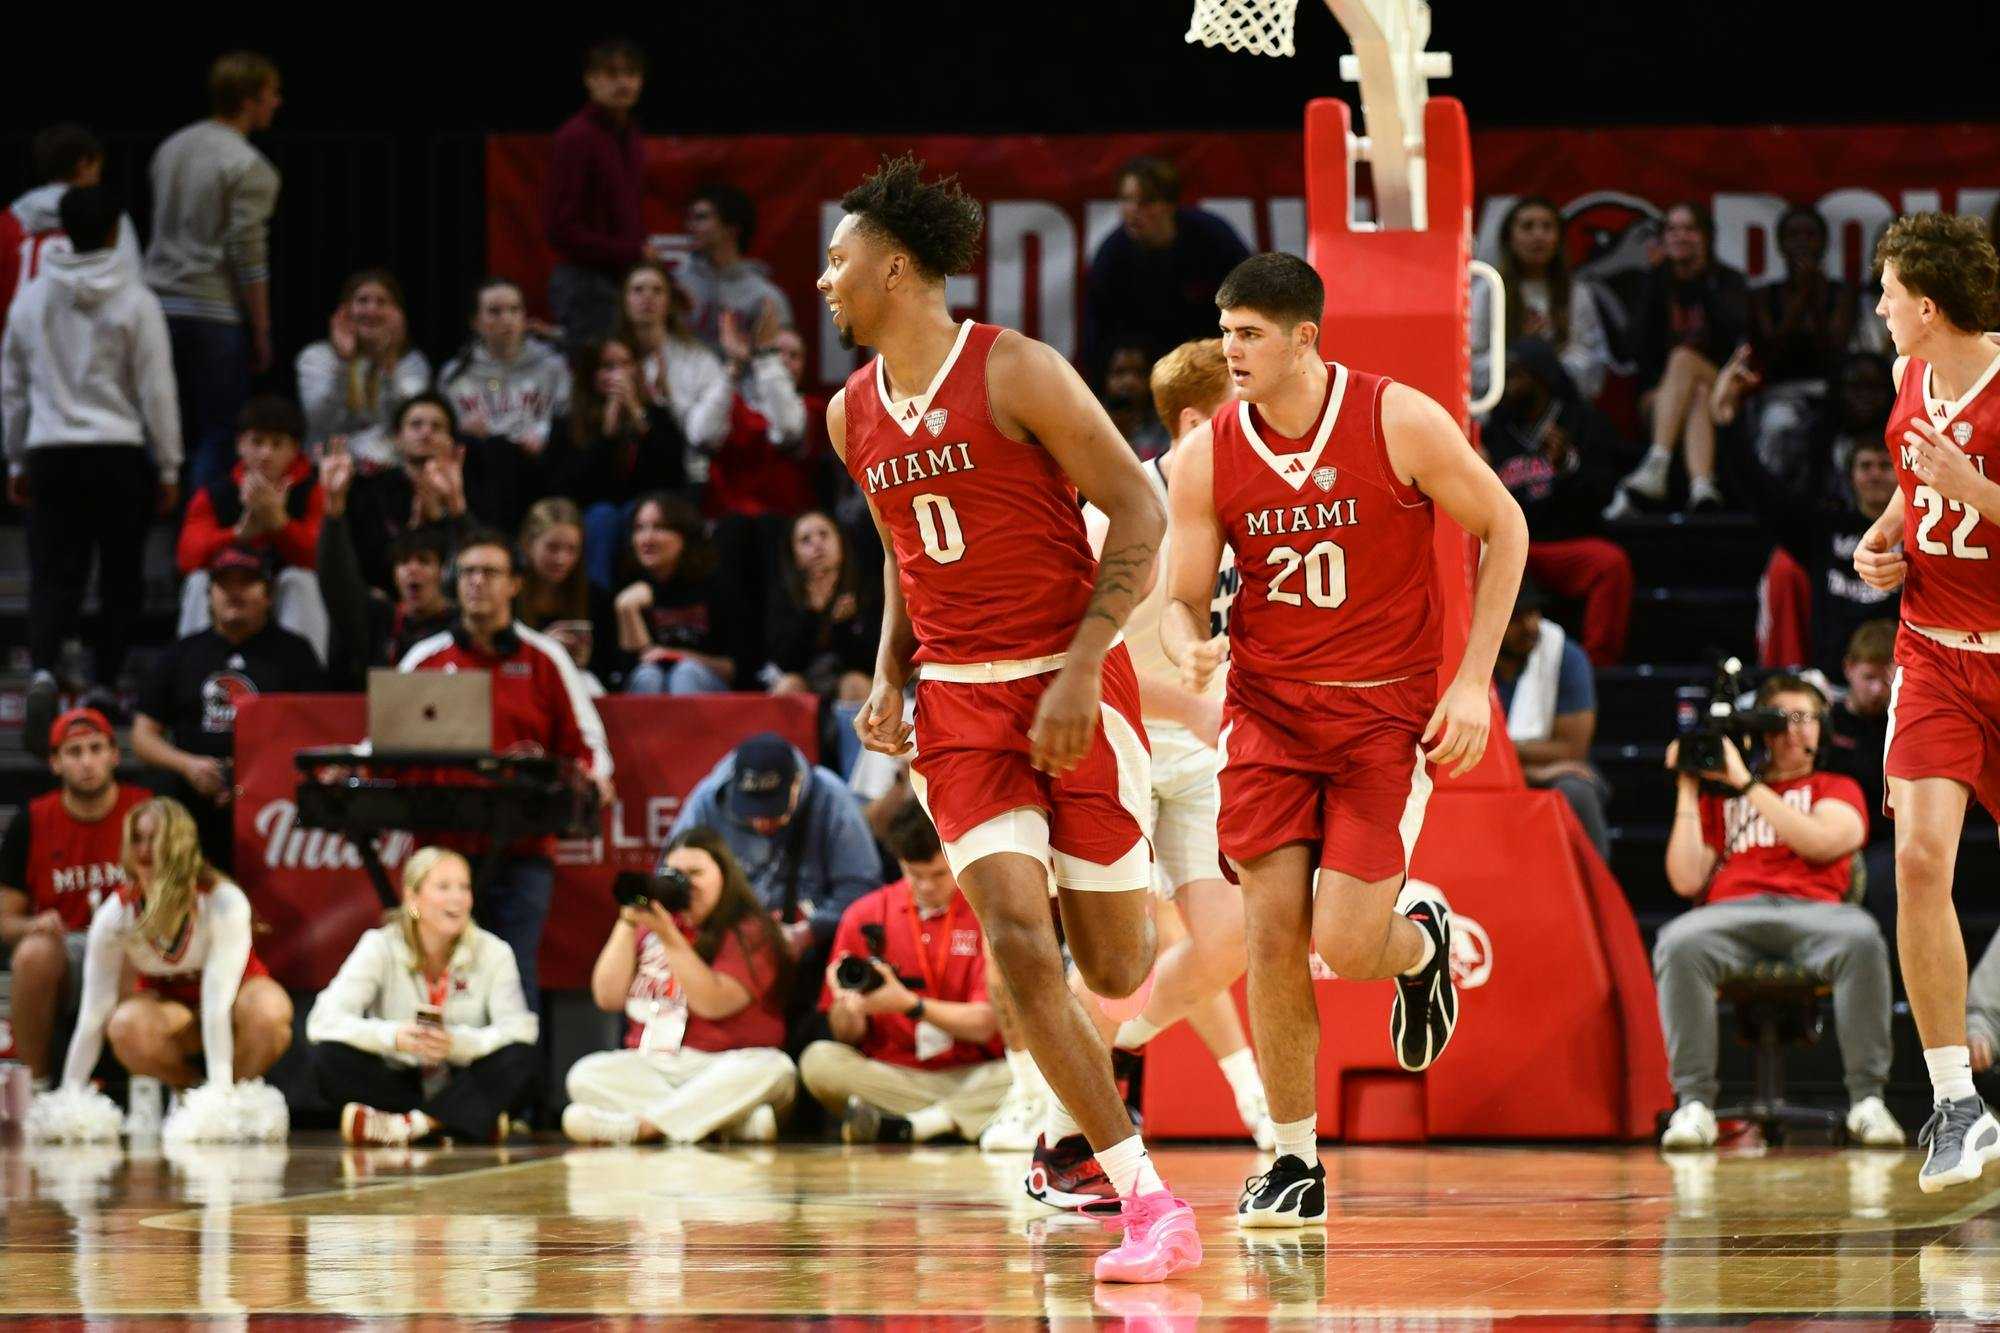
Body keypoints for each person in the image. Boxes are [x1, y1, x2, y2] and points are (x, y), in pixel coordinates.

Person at [821, 155, 1196, 1284]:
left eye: (838, 260)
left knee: (1115, 966)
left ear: (896, 266)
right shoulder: (848, 413)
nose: (826, 281)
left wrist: (1083, 668)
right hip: (957, 703)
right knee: (1021, 947)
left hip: (1069, 679)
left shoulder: (1017, 368)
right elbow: (901, 545)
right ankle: (1143, 1197)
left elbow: (1139, 510)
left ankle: (1163, 856)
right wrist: (887, 668)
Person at [1161, 252, 1527, 1228]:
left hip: (1380, 719)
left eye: (1248, 334)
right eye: (1225, 332)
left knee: (1346, 941)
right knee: (1271, 934)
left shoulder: (1395, 417)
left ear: (1303, 339)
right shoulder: (1206, 455)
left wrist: (1472, 680)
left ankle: (1417, 947)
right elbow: (1182, 598)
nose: (1231, 351)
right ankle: (1292, 1159)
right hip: (1267, 719)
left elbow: (1505, 525)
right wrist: (1188, 644)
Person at [1079, 337, 1272, 1146]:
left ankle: (1100, 1046)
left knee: (1230, 937)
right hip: (1114, 737)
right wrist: (1186, 705)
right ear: (1194, 424)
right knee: (1118, 952)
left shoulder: (1248, 503)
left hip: (1200, 745)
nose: (1261, 427)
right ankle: (1065, 1110)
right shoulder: (1117, 516)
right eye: (1242, 413)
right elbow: (1082, 658)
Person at [1848, 211, 2000, 1192]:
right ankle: (1955, 1101)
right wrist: (1883, 536)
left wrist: (1976, 491)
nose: (1879, 309)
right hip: (1934, 653)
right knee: (1915, 859)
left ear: (1929, 305)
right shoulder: (1910, 376)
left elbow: (1957, 479)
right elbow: (1915, 479)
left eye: (1888, 294)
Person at [1655, 674, 1898, 1150]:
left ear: (1823, 729)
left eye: (1805, 717)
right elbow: (1685, 879)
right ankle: (1693, 1104)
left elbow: (1822, 841)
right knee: (1678, 941)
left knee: (1863, 937)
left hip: (1818, 914)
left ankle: (1868, 1101)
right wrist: (1688, 786)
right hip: (1730, 915)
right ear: (1760, 731)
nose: (1793, 729)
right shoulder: (1722, 799)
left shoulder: (1836, 787)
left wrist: (1746, 784)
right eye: (1780, 719)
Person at [399, 529, 615, 1010]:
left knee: (513, 977)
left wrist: (595, 775)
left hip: (523, 849)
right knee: (433, 976)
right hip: (440, 850)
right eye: (469, 573)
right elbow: (387, 745)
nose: (478, 582)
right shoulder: (425, 659)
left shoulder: (546, 658)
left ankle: (517, 1063)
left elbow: (588, 745)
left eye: (491, 572)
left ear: (515, 584)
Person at [3, 185, 180, 694]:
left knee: (53, 573)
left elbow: (12, 388)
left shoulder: (31, 298)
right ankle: (105, 682)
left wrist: (15, 459)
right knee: (120, 574)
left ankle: (43, 669)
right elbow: (157, 389)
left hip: (50, 453)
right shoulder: (137, 300)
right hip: (117, 454)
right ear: (114, 231)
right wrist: (169, 465)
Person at [562, 828, 797, 1145]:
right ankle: (729, 1123)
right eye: (673, 873)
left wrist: (669, 937)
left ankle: (643, 1128)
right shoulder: (651, 925)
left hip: (725, 1064)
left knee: (776, 1068)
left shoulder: (751, 931)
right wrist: (628, 920)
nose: (684, 883)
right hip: (655, 1065)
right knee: (584, 1075)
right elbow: (607, 997)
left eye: (695, 873)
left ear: (725, 877)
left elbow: (712, 1002)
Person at [799, 801, 1009, 1143]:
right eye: (914, 874)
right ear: (899, 863)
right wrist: (848, 1006)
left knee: (1032, 1072)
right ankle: (947, 1120)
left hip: (973, 1072)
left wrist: (909, 1004)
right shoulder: (864, 915)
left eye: (939, 874)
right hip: (894, 1074)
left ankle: (911, 1123)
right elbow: (846, 1036)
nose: (926, 886)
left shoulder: (986, 911)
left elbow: (986, 1025)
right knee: (818, 1061)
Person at [58, 798, 293, 1094]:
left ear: (179, 845)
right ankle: (188, 1092)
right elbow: (94, 1012)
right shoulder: (115, 914)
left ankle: (232, 1098)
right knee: (124, 1025)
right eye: (137, 839)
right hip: (170, 1008)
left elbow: (217, 1003)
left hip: (235, 999)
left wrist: (218, 1098)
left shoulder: (223, 901)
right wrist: (68, 1095)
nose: (144, 850)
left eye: (155, 839)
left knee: (268, 1013)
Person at [307, 846, 539, 1146]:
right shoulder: (379, 945)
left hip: (462, 1075)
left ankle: (413, 1125)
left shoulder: (494, 951)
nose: (458, 898)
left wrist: (458, 1044)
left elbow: (521, 1031)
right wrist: (394, 1037)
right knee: (326, 1059)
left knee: (524, 1059)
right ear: (412, 897)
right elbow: (322, 1020)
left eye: (464, 887)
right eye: (443, 887)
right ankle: (461, 1122)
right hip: (400, 1076)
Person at [131, 545, 325, 868]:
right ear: (209, 595)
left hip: (272, 789)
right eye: (224, 584)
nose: (234, 592)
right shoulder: (180, 655)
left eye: (246, 582)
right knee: (158, 789)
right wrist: (188, 765)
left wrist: (256, 776)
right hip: (195, 786)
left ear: (268, 594)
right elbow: (142, 736)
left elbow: (317, 731)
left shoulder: (295, 654)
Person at [144, 52, 281, 490]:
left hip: (155, 306)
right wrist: (261, 327)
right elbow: (247, 253)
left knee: (158, 423)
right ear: (249, 99)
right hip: (212, 312)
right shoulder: (249, 165)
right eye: (271, 94)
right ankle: (198, 528)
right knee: (220, 432)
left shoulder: (171, 148)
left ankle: (147, 519)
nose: (277, 102)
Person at [0, 709, 151, 1088]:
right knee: (33, 953)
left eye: (96, 749)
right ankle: (36, 1089)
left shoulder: (147, 812)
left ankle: (143, 1089)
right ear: (55, 762)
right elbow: (5, 921)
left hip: (134, 943)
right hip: (68, 948)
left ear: (114, 755)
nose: (86, 762)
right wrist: (33, 924)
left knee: (134, 944)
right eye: (74, 752)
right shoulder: (32, 821)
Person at [1484, 340, 1634, 665]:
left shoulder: (1582, 422)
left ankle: (1597, 667)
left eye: (1514, 376)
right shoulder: (1492, 432)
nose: (1505, 386)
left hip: (1566, 545)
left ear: (1540, 379)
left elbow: (1604, 492)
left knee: (1611, 565)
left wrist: (1568, 466)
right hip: (1510, 545)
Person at [667, 732, 883, 957]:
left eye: (773, 811)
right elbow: (671, 874)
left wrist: (811, 932)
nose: (761, 822)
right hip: (726, 943)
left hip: (814, 949)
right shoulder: (709, 798)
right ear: (733, 784)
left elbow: (862, 890)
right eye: (751, 812)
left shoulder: (830, 798)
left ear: (797, 784)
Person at [1606, 201, 1750, 517]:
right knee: (1696, 390)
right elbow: (1632, 347)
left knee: (1685, 358)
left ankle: (1657, 462)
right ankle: (1702, 487)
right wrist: (1657, 278)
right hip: (1659, 396)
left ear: (1707, 237)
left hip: (1722, 388)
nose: (1681, 236)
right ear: (1662, 238)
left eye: (1690, 229)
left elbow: (1736, 331)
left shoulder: (1727, 280)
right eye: (1672, 230)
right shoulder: (1651, 281)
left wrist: (1700, 279)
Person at [175, 395, 330, 663]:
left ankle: (305, 677)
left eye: (277, 444)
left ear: (294, 449)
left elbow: (325, 561)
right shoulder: (214, 495)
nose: (266, 453)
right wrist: (238, 534)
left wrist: (280, 524)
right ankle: (194, 672)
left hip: (279, 597)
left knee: (302, 582)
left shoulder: (313, 493)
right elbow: (187, 558)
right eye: (257, 442)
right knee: (199, 582)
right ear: (240, 445)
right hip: (231, 591)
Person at [1080, 154, 1249, 391]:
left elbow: (1251, 300)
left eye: (1147, 202)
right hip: (1147, 380)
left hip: (1217, 367)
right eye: (1126, 199)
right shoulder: (1111, 257)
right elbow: (1097, 338)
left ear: (1170, 204)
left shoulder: (1212, 238)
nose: (1133, 211)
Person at [1743, 434, 1901, 678]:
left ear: (1901, 472)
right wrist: (1727, 429)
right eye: (1866, 466)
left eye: (1885, 465)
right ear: (1850, 477)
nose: (1875, 474)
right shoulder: (1824, 528)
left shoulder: (1922, 532)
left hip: (1901, 673)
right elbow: (1766, 498)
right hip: (1830, 679)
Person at [542, 340, 696, 590]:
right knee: (604, 517)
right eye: (608, 367)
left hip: (643, 512)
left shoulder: (657, 418)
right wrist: (607, 435)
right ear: (591, 374)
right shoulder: (567, 424)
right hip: (591, 517)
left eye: (626, 364)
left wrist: (638, 416)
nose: (619, 375)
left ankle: (650, 598)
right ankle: (598, 600)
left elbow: (672, 478)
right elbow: (568, 490)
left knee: (639, 516)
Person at [438, 277, 573, 534]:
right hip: (483, 474)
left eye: (515, 310)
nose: (507, 319)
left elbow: (570, 423)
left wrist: (544, 433)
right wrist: (461, 430)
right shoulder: (456, 375)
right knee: (494, 451)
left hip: (540, 467)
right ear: (475, 322)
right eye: (495, 312)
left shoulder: (552, 366)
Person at [317, 446, 457, 689]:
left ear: (442, 571)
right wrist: (334, 512)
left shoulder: (463, 623)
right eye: (403, 562)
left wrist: (456, 506)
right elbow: (338, 582)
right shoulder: (379, 619)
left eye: (424, 561)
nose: (412, 569)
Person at [1493, 581, 1612, 860]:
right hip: (1483, 770)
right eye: (1517, 617)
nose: (1530, 626)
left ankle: (1593, 886)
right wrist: (1529, 771)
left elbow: (1572, 750)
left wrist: (1499, 751)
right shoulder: (1466, 655)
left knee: (1576, 790)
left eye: (1534, 613)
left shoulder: (1566, 656)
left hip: (1556, 768)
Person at [545, 38, 648, 345]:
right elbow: (561, 230)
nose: (623, 82)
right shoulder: (576, 137)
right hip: (585, 284)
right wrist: (633, 252)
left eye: (631, 73)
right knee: (597, 370)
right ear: (590, 79)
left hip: (622, 280)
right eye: (612, 73)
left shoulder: (630, 135)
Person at [1744, 205, 1856, 478]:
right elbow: (1771, 352)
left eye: (1810, 235)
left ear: (1824, 243)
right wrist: (1802, 297)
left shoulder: (1842, 293)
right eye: (1793, 235)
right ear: (1780, 245)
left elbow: (1833, 350)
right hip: (1780, 393)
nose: (1802, 243)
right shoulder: (1764, 296)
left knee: (1841, 446)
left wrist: (1814, 302)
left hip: (1830, 392)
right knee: (1776, 428)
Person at [763, 509, 880, 760]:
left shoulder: (865, 589)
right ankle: (796, 772)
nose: (817, 544)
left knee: (855, 683)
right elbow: (787, 662)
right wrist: (812, 616)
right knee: (788, 685)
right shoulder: (785, 593)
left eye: (824, 535)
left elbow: (870, 662)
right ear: (794, 555)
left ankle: (858, 780)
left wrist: (843, 626)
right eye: (805, 540)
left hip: (851, 684)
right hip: (807, 683)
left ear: (841, 543)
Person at [0, 123, 141, 332]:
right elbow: (131, 284)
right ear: (83, 164)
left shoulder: (8, 221)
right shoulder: (110, 218)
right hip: (96, 340)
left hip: (23, 336)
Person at [1473, 195, 1611, 403]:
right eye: (1527, 227)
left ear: (1559, 239)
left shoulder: (1577, 293)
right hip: (1500, 406)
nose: (1538, 236)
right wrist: (1518, 351)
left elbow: (1592, 369)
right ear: (1509, 238)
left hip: (1562, 404)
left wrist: (1548, 355)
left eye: (1547, 227)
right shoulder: (1488, 289)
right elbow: (1470, 364)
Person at [613, 259, 733, 488]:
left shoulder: (699, 360)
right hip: (617, 478)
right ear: (624, 301)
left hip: (683, 477)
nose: (647, 296)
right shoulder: (608, 358)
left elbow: (706, 436)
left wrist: (667, 400)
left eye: (657, 290)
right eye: (638, 289)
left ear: (669, 303)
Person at [296, 269, 432, 467]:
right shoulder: (317, 357)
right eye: (362, 301)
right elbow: (322, 421)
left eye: (381, 302)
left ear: (398, 314)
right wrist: (343, 364)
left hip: (392, 471)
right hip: (326, 466)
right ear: (345, 311)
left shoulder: (412, 362)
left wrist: (388, 365)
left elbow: (408, 424)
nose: (371, 310)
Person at [340, 394, 476, 593]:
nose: (426, 432)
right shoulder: (372, 491)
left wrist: (447, 511)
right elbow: (365, 562)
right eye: (416, 425)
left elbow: (479, 556)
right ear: (397, 438)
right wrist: (413, 532)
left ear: (451, 440)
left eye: (437, 426)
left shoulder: (469, 488)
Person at [1822, 620, 1899, 952]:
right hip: (1830, 839)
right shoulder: (1824, 720)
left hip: (1886, 844)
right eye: (1868, 677)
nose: (1877, 690)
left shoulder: (1902, 724)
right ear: (1848, 668)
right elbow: (1781, 712)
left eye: (1886, 679)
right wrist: (1808, 702)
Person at [614, 492, 738, 694]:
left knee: (685, 673)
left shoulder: (715, 584)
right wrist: (626, 609)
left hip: (709, 689)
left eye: (660, 527)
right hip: (650, 689)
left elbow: (737, 668)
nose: (647, 538)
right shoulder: (630, 586)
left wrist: (677, 656)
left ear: (685, 536)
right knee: (648, 675)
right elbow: (629, 672)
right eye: (639, 528)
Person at [679, 184, 795, 350]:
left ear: (731, 228)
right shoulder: (678, 285)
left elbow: (784, 355)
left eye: (701, 218)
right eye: (690, 219)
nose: (691, 226)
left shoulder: (764, 296)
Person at [516, 497, 613, 686]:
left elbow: (607, 668)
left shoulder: (595, 597)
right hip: (524, 683)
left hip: (577, 682)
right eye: (552, 547)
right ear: (528, 544)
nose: (562, 559)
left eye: (572, 549)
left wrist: (584, 659)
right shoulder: (508, 593)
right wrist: (543, 649)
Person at [1100, 340, 1171, 458]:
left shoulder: (1165, 427)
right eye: (1119, 372)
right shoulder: (1092, 422)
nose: (1129, 381)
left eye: (1139, 373)